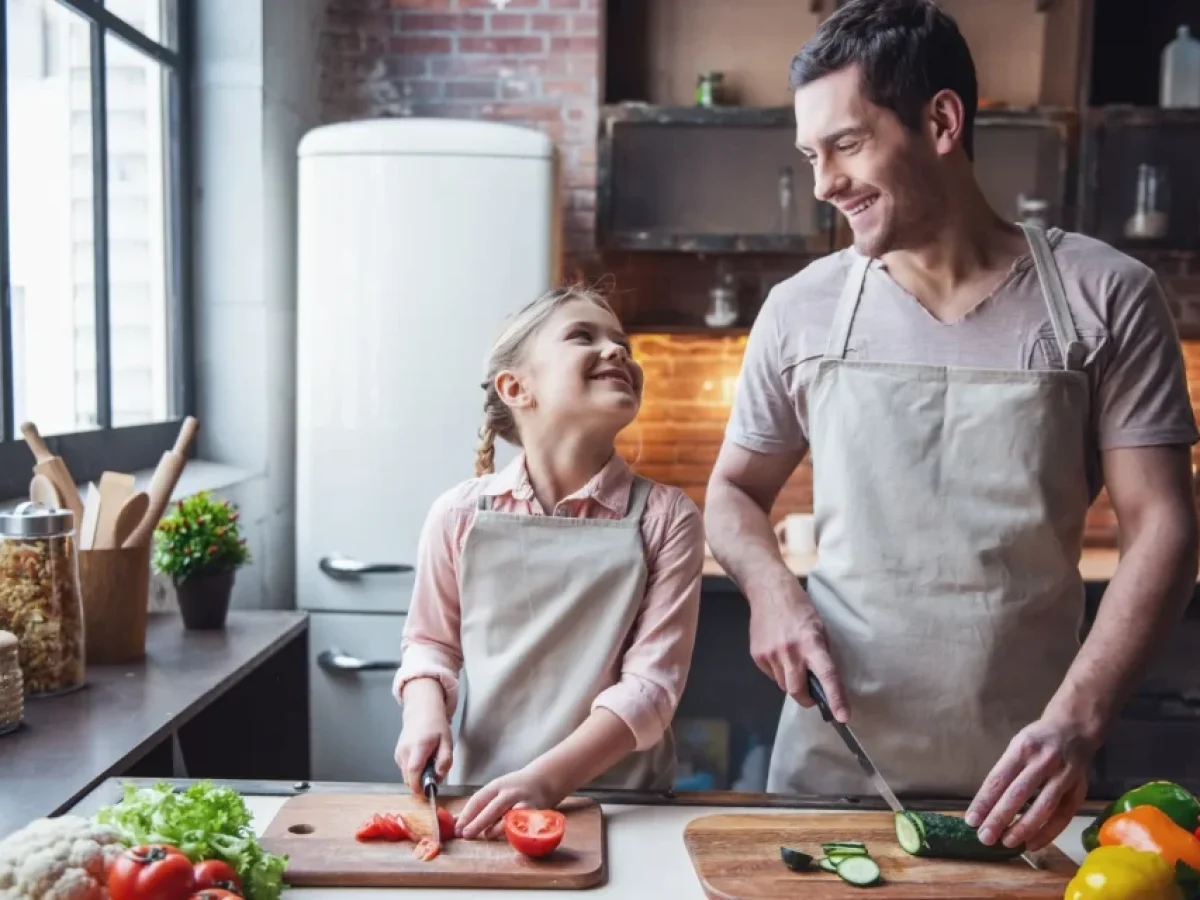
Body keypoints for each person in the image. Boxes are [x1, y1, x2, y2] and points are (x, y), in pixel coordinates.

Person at [705, 0, 1199, 854]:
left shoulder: (1106, 294)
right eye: (810, 155)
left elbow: (1164, 526)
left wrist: (1078, 723)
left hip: (1032, 775)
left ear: (940, 120)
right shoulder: (801, 311)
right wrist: (772, 591)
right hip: (834, 773)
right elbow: (732, 493)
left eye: (847, 144)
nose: (824, 183)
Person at [391, 286, 704, 839]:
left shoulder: (667, 518)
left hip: (621, 805)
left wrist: (544, 781)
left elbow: (650, 689)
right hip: (481, 797)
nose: (617, 352)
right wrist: (423, 710)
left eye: (622, 344)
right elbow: (432, 644)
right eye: (583, 336)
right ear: (516, 388)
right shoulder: (459, 514)